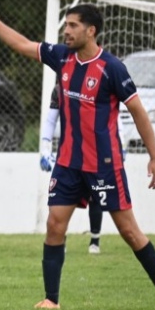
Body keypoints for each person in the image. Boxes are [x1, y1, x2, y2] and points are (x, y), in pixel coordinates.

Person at [0, 0, 155, 310]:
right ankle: (51, 299)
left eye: (72, 25)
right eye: (65, 25)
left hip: (104, 164)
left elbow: (138, 111)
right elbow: (21, 43)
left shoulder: (112, 68)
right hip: (68, 162)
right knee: (55, 224)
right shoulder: (62, 57)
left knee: (128, 230)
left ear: (90, 30)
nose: (66, 31)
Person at [39, 85, 126, 254]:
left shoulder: (101, 84)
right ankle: (60, 240)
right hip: (69, 155)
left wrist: (120, 146)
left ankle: (95, 241)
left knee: (96, 196)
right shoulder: (60, 89)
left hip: (96, 154)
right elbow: (51, 119)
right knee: (61, 200)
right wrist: (45, 149)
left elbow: (115, 117)